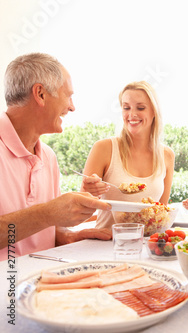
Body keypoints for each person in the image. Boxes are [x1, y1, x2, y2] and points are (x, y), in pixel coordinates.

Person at [0, 53, 112, 260]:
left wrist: (69, 238)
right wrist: (47, 213)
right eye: (68, 95)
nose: (72, 106)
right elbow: (43, 218)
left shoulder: (48, 157)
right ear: (40, 94)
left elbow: (39, 232)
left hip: (40, 284)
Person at [81, 81, 175, 229]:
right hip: (105, 244)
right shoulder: (103, 148)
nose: (132, 114)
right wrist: (90, 191)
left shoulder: (167, 155)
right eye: (126, 108)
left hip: (146, 245)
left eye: (140, 108)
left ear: (154, 112)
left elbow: (161, 213)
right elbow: (82, 207)